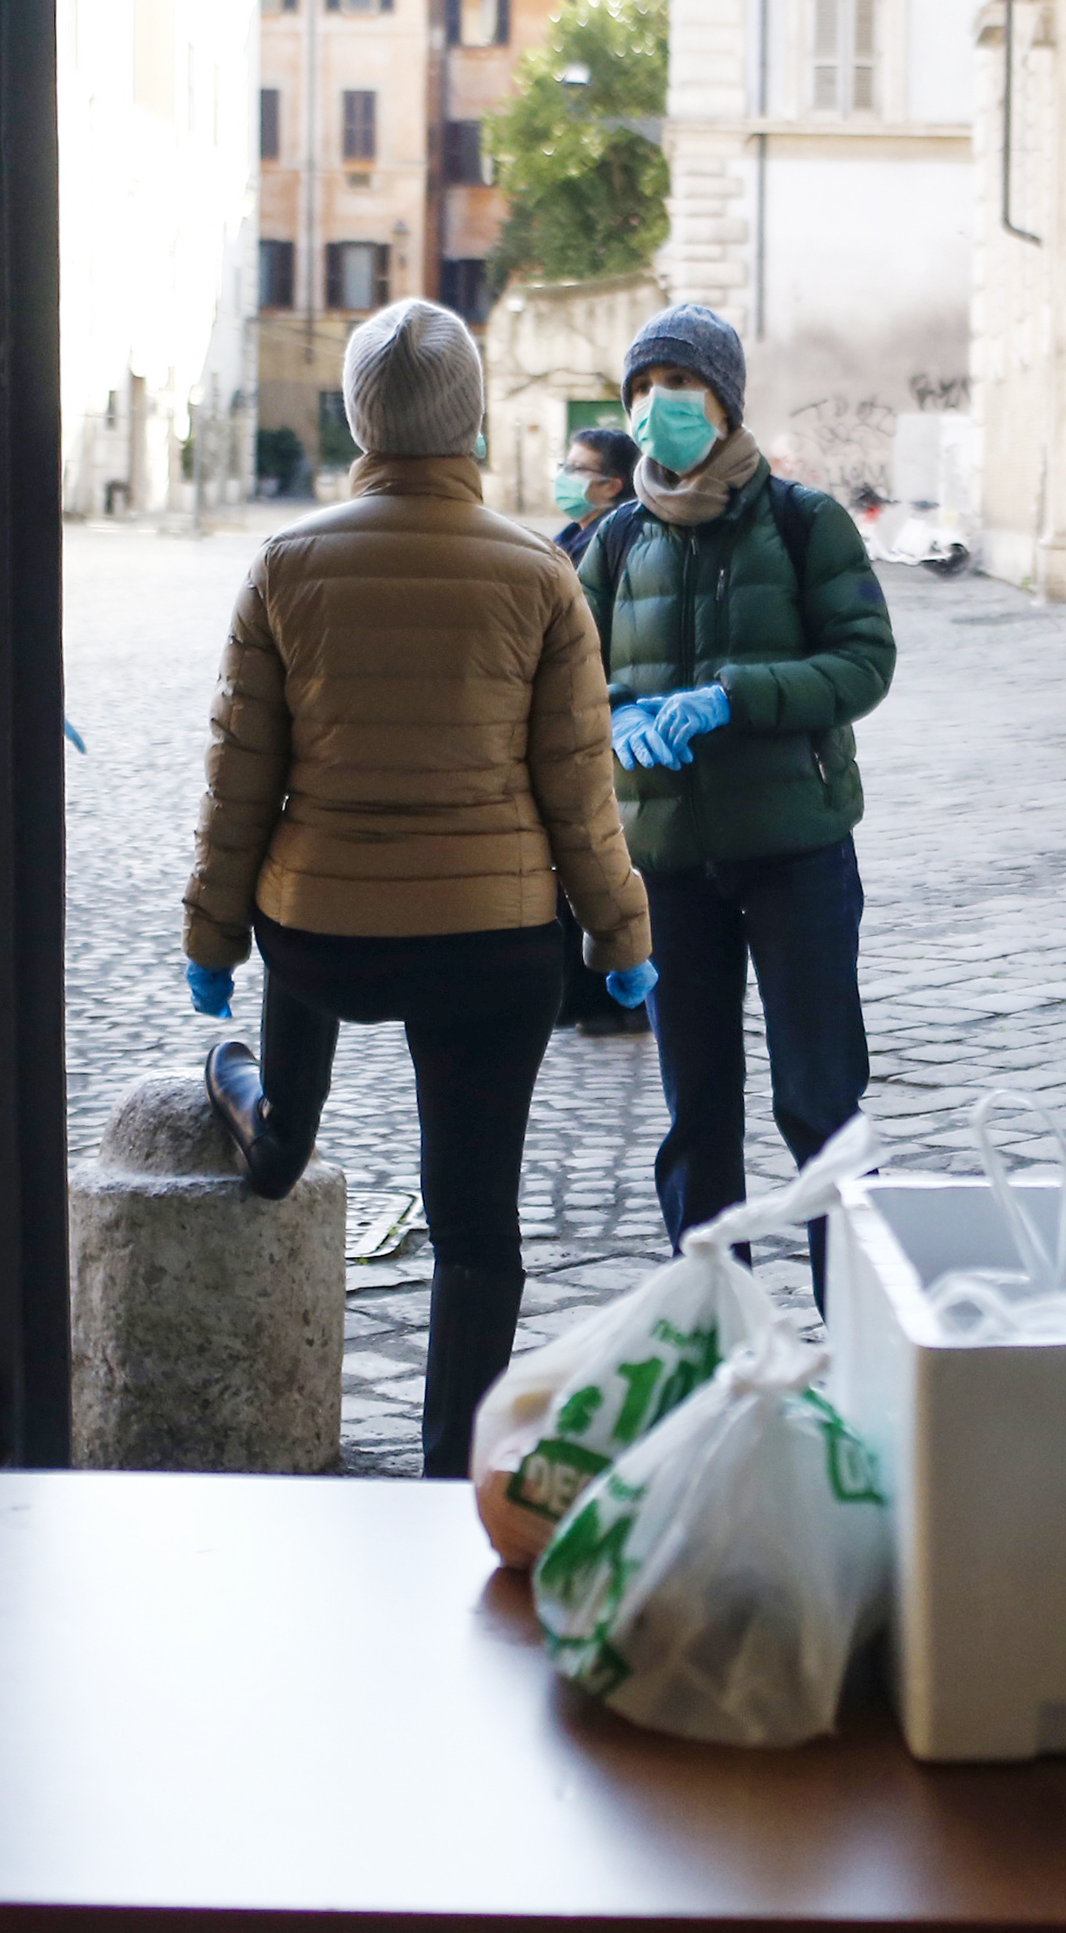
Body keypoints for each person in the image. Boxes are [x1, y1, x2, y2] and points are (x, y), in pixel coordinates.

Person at [181, 298, 655, 1479]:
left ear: (358, 415)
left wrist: (213, 931)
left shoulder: (287, 563)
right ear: (475, 419)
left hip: (318, 934)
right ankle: (453, 1472)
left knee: (285, 1140)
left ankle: (247, 1092)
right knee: (477, 1228)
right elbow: (578, 787)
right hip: (491, 943)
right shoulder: (540, 572)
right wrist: (620, 931)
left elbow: (242, 772)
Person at [579, 303, 895, 1309]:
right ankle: (715, 1335)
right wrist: (621, 712)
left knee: (820, 1104)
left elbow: (863, 663)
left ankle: (860, 1334)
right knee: (696, 1118)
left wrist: (731, 695)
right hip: (666, 865)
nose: (657, 409)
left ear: (724, 400)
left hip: (795, 854)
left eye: (678, 388)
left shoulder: (807, 522)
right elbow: (562, 678)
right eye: (641, 392)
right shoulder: (618, 538)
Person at [552, 426, 653, 1035]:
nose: (564, 475)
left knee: (608, 857)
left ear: (611, 483)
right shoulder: (574, 536)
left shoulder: (617, 538)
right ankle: (587, 993)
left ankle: (621, 994)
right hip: (578, 712)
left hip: (605, 714)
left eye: (576, 467)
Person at [550, 424, 637, 566]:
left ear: (611, 487)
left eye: (576, 468)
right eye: (565, 466)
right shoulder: (571, 536)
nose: (563, 476)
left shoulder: (610, 544)